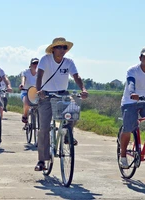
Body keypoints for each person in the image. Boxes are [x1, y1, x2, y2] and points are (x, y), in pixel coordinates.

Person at [34, 37, 88, 171]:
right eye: (59, 47)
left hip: (62, 94)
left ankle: (67, 135)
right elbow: (39, 76)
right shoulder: (45, 59)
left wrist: (83, 89)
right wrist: (39, 90)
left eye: (64, 48)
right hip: (46, 95)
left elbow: (77, 76)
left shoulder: (69, 62)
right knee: (44, 128)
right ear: (53, 49)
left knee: (73, 112)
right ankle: (42, 160)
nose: (62, 50)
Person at [18, 58, 39, 123]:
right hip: (26, 92)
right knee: (27, 103)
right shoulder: (26, 72)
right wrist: (22, 84)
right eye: (34, 63)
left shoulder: (40, 72)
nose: (36, 65)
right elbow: (23, 78)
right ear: (30, 65)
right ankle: (25, 115)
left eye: (37, 64)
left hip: (36, 93)